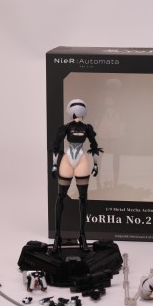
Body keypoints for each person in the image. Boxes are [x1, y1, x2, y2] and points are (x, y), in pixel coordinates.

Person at [51, 99, 103, 252]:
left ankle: (82, 235)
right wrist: (54, 165)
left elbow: (94, 146)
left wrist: (95, 164)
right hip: (69, 159)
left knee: (82, 198)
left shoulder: (87, 128)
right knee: (61, 197)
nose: (77, 113)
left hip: (80, 160)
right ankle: (57, 235)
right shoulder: (66, 128)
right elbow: (56, 146)